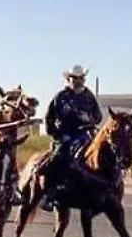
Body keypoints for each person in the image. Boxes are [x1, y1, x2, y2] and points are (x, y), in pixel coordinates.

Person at [38, 64, 103, 210]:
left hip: (85, 133)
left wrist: (90, 119)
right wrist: (56, 134)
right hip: (66, 135)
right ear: (69, 79)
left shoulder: (89, 96)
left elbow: (98, 116)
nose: (78, 81)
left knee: (104, 153)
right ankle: (49, 194)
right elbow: (49, 117)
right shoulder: (61, 97)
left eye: (80, 78)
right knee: (57, 158)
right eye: (75, 78)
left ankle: (105, 190)